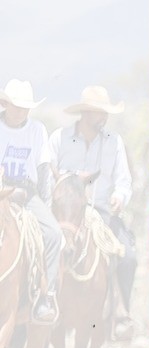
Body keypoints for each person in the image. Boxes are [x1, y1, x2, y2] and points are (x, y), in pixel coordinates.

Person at [48, 85, 137, 339]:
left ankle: (121, 312)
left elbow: (124, 181)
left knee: (128, 256)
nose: (105, 118)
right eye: (100, 113)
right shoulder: (60, 138)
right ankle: (42, 299)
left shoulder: (114, 142)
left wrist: (119, 197)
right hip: (65, 212)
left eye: (105, 113)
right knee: (44, 247)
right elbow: (48, 174)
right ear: (86, 113)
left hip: (102, 211)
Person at [0, 79, 61, 323]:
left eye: (26, 106)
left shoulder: (37, 130)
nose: (23, 110)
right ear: (6, 104)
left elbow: (43, 170)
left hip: (27, 194)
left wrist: (45, 205)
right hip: (0, 192)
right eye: (18, 105)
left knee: (54, 234)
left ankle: (46, 297)